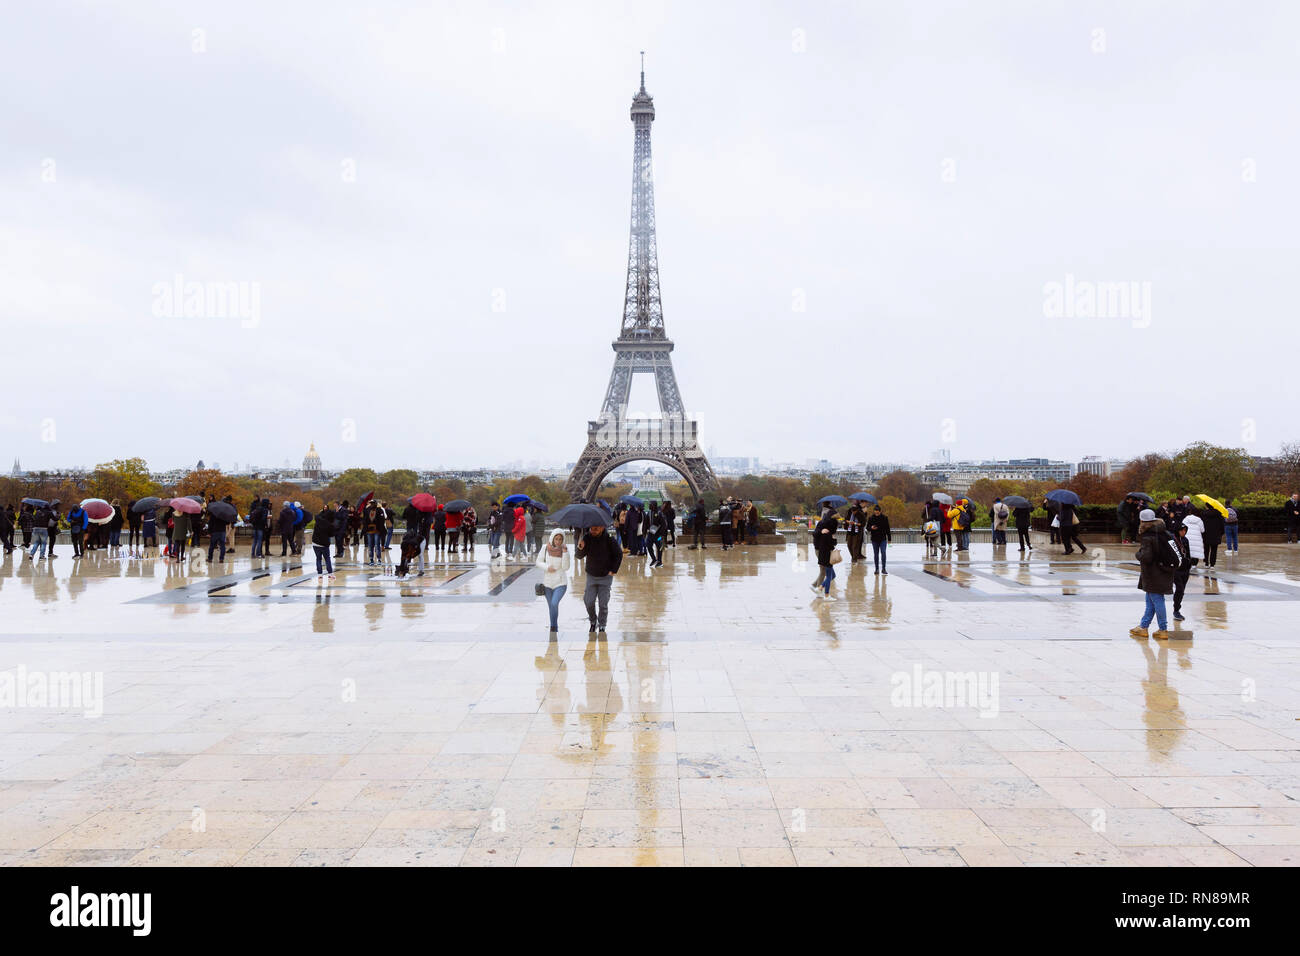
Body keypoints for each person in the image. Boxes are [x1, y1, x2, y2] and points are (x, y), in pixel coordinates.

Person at [1132, 508, 1175, 639]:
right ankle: (1143, 626)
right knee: (1150, 600)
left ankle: (1163, 629)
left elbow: (1147, 557)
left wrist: (1138, 554)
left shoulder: (1148, 536)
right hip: (1163, 571)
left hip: (1154, 573)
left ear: (1142, 521)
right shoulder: (1165, 533)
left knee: (1157, 600)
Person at [577, 522, 622, 632]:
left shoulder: (610, 539)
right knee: (588, 601)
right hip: (591, 576)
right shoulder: (587, 538)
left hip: (605, 577)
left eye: (596, 529)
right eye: (591, 528)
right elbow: (579, 556)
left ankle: (602, 624)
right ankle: (593, 620)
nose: (593, 530)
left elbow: (618, 554)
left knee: (603, 604)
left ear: (602, 528)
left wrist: (613, 571)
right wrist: (580, 548)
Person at [535, 529, 572, 631]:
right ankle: (553, 626)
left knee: (554, 603)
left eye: (560, 539)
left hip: (560, 583)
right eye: (556, 539)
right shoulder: (545, 548)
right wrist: (547, 567)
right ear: (552, 538)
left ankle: (554, 627)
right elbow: (538, 562)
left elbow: (566, 567)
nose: (558, 541)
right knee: (551, 606)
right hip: (547, 584)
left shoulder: (565, 550)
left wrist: (565, 553)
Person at [811, 506, 839, 598]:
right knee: (824, 571)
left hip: (825, 550)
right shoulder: (822, 524)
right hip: (820, 550)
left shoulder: (832, 525)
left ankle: (815, 586)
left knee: (830, 573)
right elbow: (815, 534)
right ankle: (819, 590)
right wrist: (821, 531)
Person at [1171, 523, 1193, 622]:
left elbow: (1188, 553)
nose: (1183, 532)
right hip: (1176, 570)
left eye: (1185, 530)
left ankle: (1177, 608)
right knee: (1179, 589)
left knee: (1181, 590)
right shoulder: (1172, 540)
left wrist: (1190, 562)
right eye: (1181, 530)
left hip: (1185, 569)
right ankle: (1176, 610)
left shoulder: (1185, 540)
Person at [312, 502, 337, 578]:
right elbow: (331, 534)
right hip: (324, 543)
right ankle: (330, 573)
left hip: (315, 542)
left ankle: (319, 574)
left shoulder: (318, 520)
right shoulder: (330, 525)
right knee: (327, 558)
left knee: (318, 559)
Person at [866, 504, 891, 574]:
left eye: (878, 512)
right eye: (875, 512)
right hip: (874, 539)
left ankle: (883, 568)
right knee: (876, 554)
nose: (876, 513)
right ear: (874, 511)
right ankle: (876, 569)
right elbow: (867, 528)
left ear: (880, 511)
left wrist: (889, 539)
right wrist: (871, 528)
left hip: (883, 539)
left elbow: (887, 529)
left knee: (883, 552)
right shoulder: (871, 518)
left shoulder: (885, 518)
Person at [207, 497, 233, 562]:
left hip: (215, 531)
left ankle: (210, 558)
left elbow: (210, 523)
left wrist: (209, 532)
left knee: (212, 545)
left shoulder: (213, 513)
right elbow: (227, 522)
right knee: (222, 546)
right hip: (222, 531)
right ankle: (221, 559)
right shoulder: (224, 514)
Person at [1181, 507, 1205, 572]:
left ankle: (1188, 563)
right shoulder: (1199, 520)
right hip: (1197, 537)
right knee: (1196, 550)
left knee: (1188, 550)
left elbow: (1182, 526)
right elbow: (1202, 530)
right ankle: (1194, 565)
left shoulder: (1186, 519)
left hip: (1188, 536)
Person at [1201, 504, 1225, 568]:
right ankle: (1212, 564)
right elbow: (1222, 525)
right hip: (1216, 535)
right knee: (1214, 550)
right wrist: (1221, 533)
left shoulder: (1203, 514)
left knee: (1206, 549)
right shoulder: (1219, 514)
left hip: (1206, 534)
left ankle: (1206, 563)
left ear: (1207, 506)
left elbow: (1201, 524)